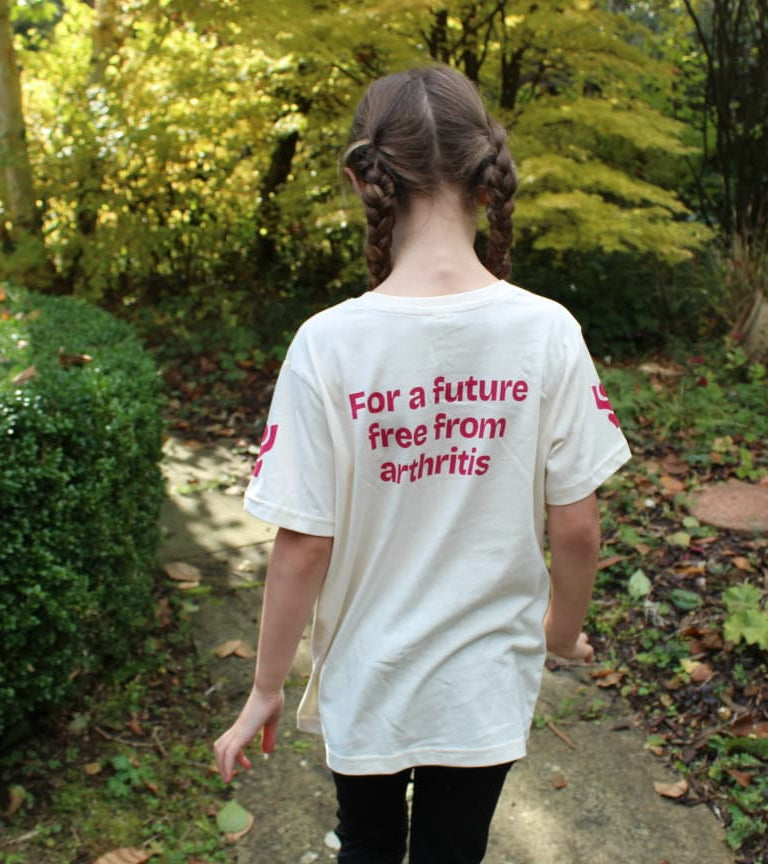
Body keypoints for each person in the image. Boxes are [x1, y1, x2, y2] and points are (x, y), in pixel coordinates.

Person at [213, 65, 631, 864]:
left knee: (367, 843)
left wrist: (266, 686)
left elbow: (304, 543)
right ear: (487, 173)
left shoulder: (327, 344)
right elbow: (575, 525)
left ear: (361, 179)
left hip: (369, 674)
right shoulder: (548, 332)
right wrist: (562, 635)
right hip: (486, 681)